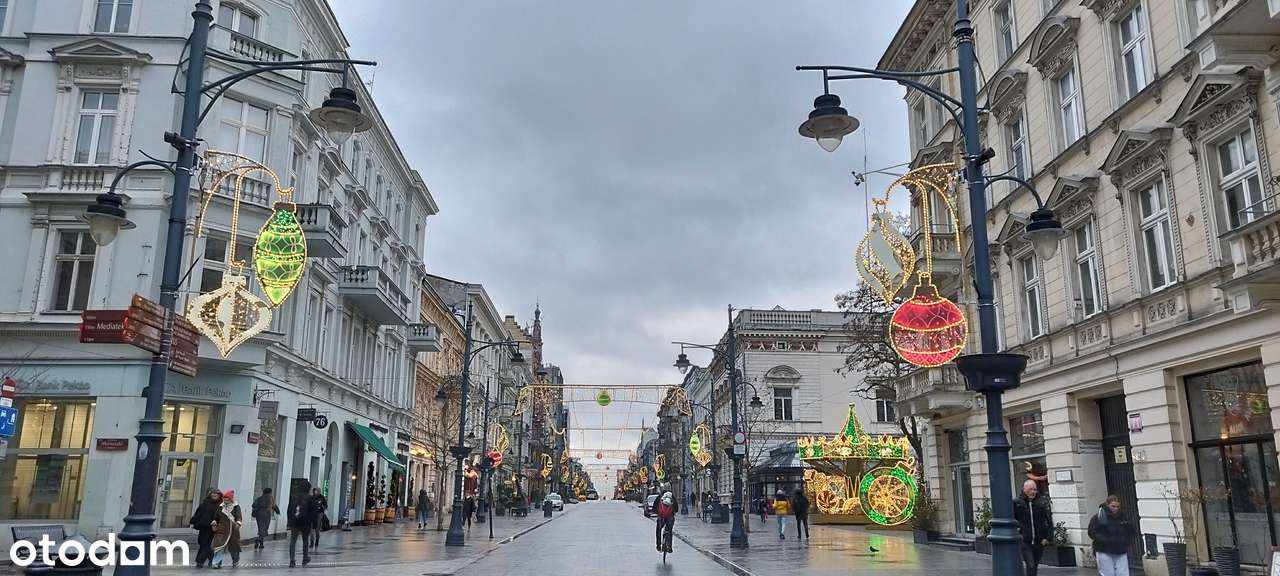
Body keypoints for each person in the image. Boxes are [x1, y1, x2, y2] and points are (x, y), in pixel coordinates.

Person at [1013, 479, 1053, 576]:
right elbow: (1013, 520)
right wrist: (1018, 532)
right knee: (1030, 565)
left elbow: (1049, 521)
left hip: (1039, 541)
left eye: (1035, 490)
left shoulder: (1041, 503)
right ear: (1024, 489)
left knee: (1034, 566)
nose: (1033, 492)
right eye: (1030, 489)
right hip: (1025, 540)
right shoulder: (1017, 503)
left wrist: (1048, 538)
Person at [1088, 495, 1136, 576]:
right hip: (1104, 549)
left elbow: (1131, 531)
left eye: (1117, 507)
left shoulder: (1123, 516)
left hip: (1120, 549)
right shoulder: (1099, 517)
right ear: (1107, 505)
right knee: (1108, 573)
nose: (1116, 509)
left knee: (1123, 573)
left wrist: (1126, 541)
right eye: (1113, 506)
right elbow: (1092, 532)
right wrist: (1106, 540)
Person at [190, 489, 222, 568]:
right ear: (210, 494)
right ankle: (213, 559)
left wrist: (217, 522)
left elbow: (221, 517)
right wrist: (194, 521)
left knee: (207, 544)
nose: (214, 495)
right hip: (203, 526)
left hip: (213, 527)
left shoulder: (220, 505)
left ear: (219, 496)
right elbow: (198, 513)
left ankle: (200, 561)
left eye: (217, 494)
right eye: (213, 493)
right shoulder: (205, 503)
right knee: (202, 542)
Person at [211, 490, 243, 568]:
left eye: (227, 499)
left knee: (234, 547)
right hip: (222, 529)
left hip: (233, 529)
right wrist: (214, 521)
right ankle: (216, 563)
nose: (225, 500)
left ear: (231, 499)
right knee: (219, 546)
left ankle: (235, 561)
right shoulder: (221, 507)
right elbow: (216, 517)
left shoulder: (236, 507)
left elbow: (239, 516)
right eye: (224, 499)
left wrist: (238, 523)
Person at [287, 483, 316, 568]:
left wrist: (290, 521)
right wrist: (313, 523)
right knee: (305, 540)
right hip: (305, 523)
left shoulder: (294, 497)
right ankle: (305, 558)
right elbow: (313, 512)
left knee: (293, 540)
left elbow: (289, 510)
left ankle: (292, 560)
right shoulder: (311, 498)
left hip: (295, 522)